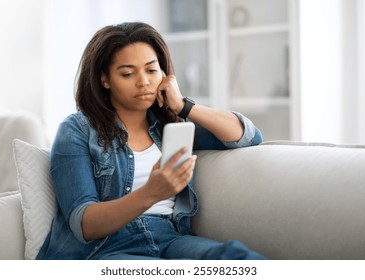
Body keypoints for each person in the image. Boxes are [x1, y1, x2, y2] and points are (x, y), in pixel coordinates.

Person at [37, 22, 265, 260]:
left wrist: (182, 106)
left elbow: (247, 136)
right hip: (105, 249)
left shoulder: (170, 125)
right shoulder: (77, 130)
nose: (143, 81)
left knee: (236, 257)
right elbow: (84, 224)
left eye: (151, 70)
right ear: (105, 80)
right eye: (127, 73)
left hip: (169, 238)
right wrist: (151, 193)